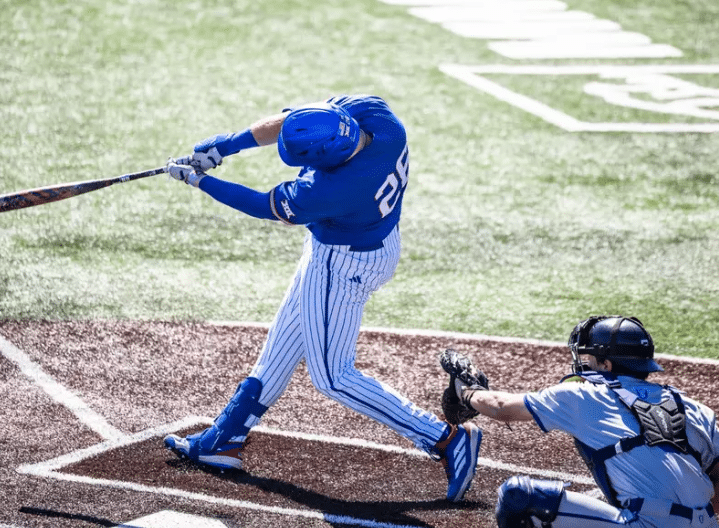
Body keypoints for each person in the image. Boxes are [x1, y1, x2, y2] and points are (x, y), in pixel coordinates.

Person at [161, 94, 481, 501]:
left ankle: (444, 439)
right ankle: (224, 438)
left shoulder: (333, 190)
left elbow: (263, 206)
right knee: (281, 346)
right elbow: (293, 120)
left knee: (332, 376)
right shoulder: (376, 116)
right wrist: (225, 145)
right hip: (366, 244)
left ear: (329, 157)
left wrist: (201, 180)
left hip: (343, 265)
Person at [446, 315, 719, 527]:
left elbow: (501, 407)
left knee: (519, 498)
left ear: (606, 364)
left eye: (588, 357)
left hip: (644, 524)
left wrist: (467, 392)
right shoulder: (695, 407)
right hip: (704, 524)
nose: (582, 363)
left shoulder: (586, 396)